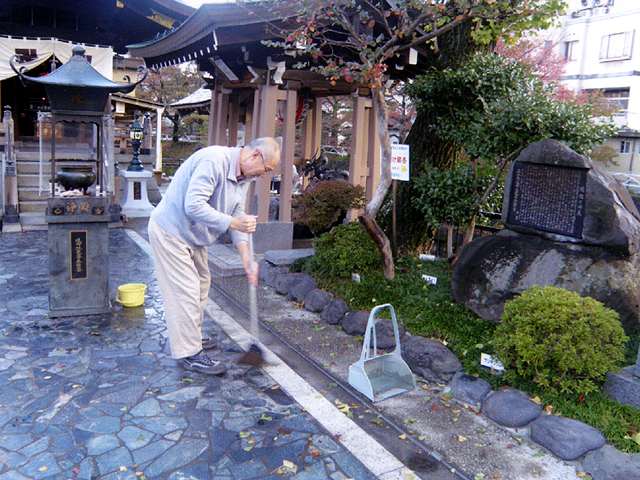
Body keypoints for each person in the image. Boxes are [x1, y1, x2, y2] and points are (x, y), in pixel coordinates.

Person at [148, 137, 282, 375]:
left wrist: (246, 259)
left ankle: (193, 336)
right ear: (254, 156)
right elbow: (193, 206)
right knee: (186, 291)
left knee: (201, 285)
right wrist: (233, 222)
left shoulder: (245, 176)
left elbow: (238, 214)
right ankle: (189, 353)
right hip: (171, 230)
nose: (264, 175)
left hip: (195, 236)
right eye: (266, 169)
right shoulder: (214, 160)